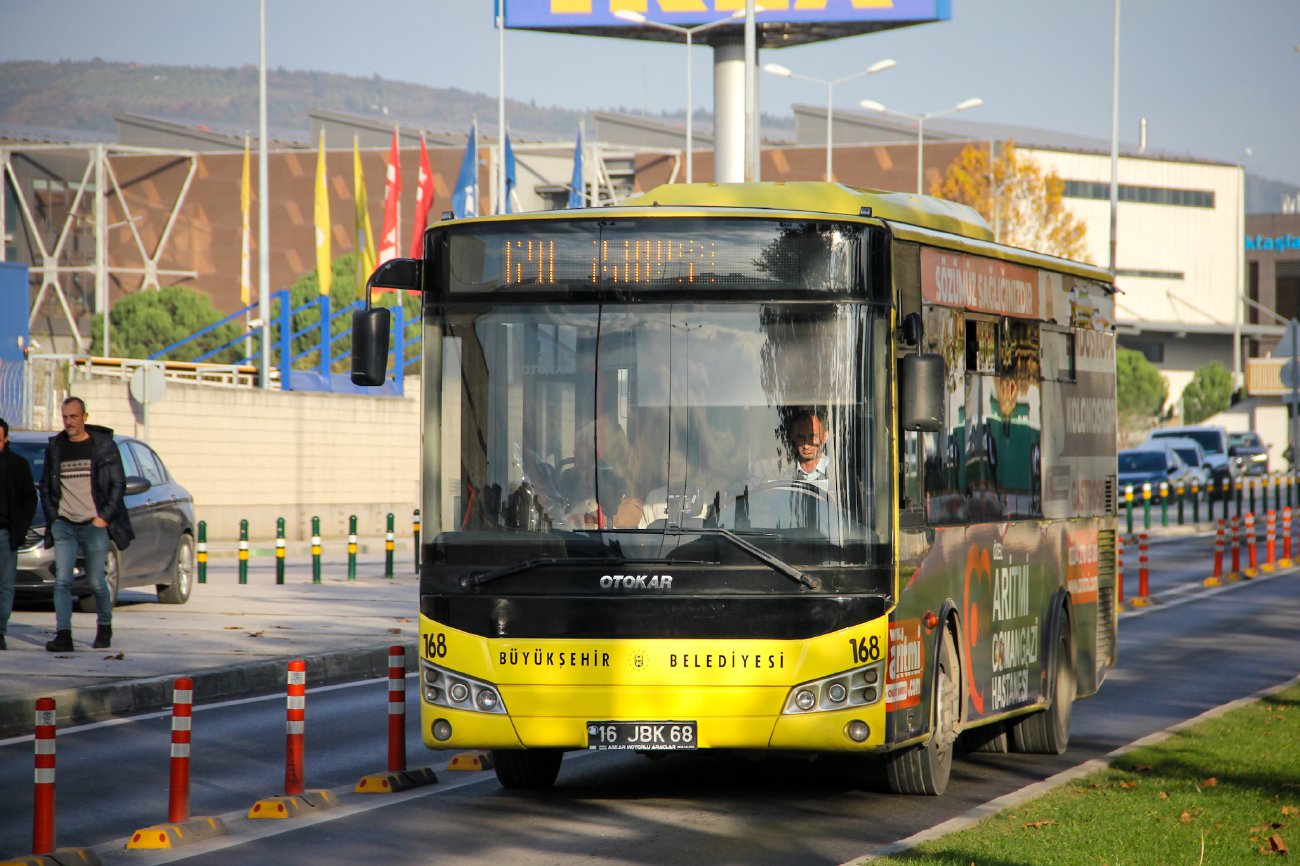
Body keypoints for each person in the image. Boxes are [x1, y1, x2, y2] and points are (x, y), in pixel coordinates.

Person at [38, 397, 133, 652]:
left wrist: (103, 518)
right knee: (62, 582)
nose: (69, 422)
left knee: (96, 582)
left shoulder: (103, 446)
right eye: (65, 417)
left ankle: (104, 626)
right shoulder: (56, 446)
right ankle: (64, 634)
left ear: (84, 417)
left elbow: (118, 484)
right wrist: (54, 518)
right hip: (65, 525)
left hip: (94, 525)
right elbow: (46, 486)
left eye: (74, 417)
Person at [0, 417, 38, 650]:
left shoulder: (18, 464)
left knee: (5, 585)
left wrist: (21, 528)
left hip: (5, 534)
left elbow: (30, 498)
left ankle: (0, 630)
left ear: (6, 439)